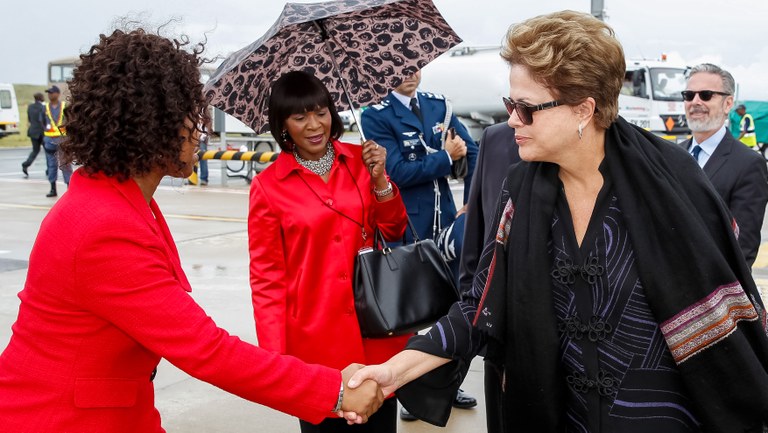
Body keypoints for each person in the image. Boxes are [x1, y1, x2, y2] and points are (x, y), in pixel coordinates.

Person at [347, 11, 768, 433]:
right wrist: (392, 372)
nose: (511, 118)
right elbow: (482, 307)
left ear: (585, 108)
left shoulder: (673, 181)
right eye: (511, 104)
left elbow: (725, 312)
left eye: (526, 108)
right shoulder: (521, 187)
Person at [0, 28, 384, 433]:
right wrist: (334, 391)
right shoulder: (105, 227)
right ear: (154, 123)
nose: (200, 129)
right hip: (60, 418)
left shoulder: (121, 201)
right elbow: (206, 349)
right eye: (190, 115)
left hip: (115, 409)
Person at [248, 70, 408, 433]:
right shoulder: (268, 187)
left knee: (380, 426)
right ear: (283, 124)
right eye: (300, 116)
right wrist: (275, 360)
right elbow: (267, 277)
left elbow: (394, 229)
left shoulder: (361, 161)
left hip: (375, 331)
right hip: (315, 343)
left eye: (320, 112)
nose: (314, 124)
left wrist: (381, 179)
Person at [360, 70, 479, 420]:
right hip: (408, 223)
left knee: (451, 303)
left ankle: (448, 381)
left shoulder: (438, 106)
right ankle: (411, 387)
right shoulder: (375, 115)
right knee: (411, 310)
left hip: (445, 219)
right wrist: (444, 158)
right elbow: (395, 171)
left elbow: (472, 153)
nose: (409, 75)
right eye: (398, 70)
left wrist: (472, 202)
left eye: (414, 67)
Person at [457, 122, 519, 433]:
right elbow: (477, 225)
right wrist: (471, 297)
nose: (514, 117)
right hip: (498, 320)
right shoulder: (496, 137)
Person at [682, 64, 768, 268]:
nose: (695, 102)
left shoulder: (749, 164)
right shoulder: (670, 155)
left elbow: (742, 248)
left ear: (728, 103)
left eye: (705, 95)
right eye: (688, 95)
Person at [42, 85, 73, 197]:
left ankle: (69, 188)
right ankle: (52, 188)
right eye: (49, 93)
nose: (50, 95)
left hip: (62, 140)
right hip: (50, 141)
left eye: (52, 93)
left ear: (57, 94)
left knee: (65, 164)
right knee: (51, 165)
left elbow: (70, 121)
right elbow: (42, 122)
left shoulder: (64, 107)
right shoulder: (45, 108)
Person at [21, 92, 45, 177]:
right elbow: (43, 120)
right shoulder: (43, 107)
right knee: (48, 151)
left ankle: (26, 164)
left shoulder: (30, 107)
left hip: (32, 131)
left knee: (35, 150)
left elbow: (30, 119)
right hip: (41, 132)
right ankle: (49, 170)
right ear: (40, 98)